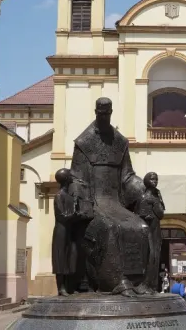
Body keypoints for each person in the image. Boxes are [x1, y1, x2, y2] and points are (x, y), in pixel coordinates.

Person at [71, 97, 152, 296]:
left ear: (111, 113)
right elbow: (77, 177)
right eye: (100, 113)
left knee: (140, 226)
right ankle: (116, 282)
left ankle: (138, 281)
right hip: (94, 200)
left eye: (107, 113)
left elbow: (127, 175)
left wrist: (143, 188)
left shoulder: (120, 142)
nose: (104, 116)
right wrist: (84, 200)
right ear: (96, 112)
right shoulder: (84, 142)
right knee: (110, 227)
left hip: (115, 201)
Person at [134, 172, 165, 291]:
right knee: (149, 255)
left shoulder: (157, 195)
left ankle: (153, 285)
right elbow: (140, 215)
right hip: (147, 230)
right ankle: (145, 283)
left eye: (156, 179)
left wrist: (156, 203)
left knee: (156, 255)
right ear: (146, 181)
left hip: (155, 228)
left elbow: (161, 214)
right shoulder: (143, 197)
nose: (155, 181)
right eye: (152, 179)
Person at [52, 168, 78, 296]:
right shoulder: (59, 196)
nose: (72, 177)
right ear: (67, 179)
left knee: (71, 257)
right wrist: (76, 214)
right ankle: (61, 288)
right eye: (70, 175)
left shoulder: (69, 196)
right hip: (61, 231)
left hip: (70, 230)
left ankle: (69, 286)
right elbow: (62, 216)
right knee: (60, 258)